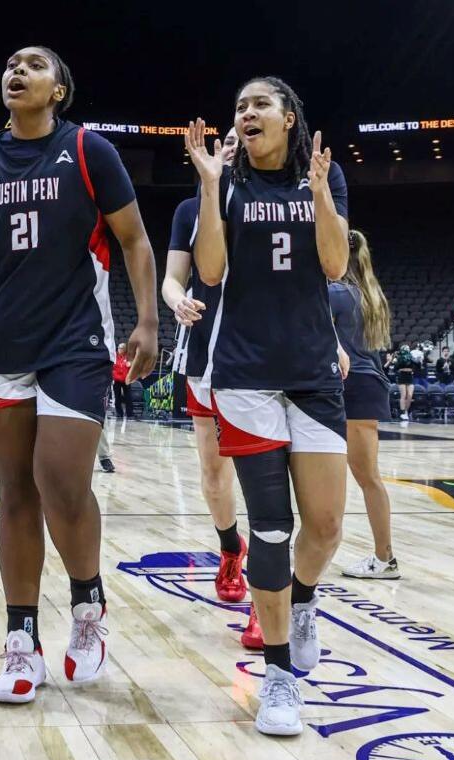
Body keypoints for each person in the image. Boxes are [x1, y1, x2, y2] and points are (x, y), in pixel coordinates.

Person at [0, 46, 159, 705]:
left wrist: (148, 321)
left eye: (34, 65)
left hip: (75, 340)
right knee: (15, 494)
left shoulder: (90, 150)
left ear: (59, 88)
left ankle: (88, 608)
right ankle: (20, 639)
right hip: (2, 342)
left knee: (60, 481)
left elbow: (136, 240)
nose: (17, 71)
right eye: (9, 63)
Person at [185, 75, 350, 736]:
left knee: (328, 525)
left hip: (311, 371)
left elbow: (336, 267)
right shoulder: (226, 182)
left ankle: (303, 599)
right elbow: (211, 271)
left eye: (259, 104)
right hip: (246, 376)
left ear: (288, 117)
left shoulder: (324, 178)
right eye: (239, 106)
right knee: (274, 527)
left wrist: (318, 196)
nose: (246, 113)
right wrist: (207, 184)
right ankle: (279, 675)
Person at [162, 125, 262, 650]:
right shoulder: (188, 211)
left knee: (263, 472)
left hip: (262, 352)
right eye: (224, 140)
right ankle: (230, 547)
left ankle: (270, 593)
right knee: (212, 469)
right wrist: (176, 298)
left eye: (238, 142)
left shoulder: (267, 200)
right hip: (204, 350)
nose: (231, 146)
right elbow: (172, 278)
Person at [331, 230, 398, 579]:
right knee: (368, 477)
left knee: (352, 476)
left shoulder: (336, 293)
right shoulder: (371, 293)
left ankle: (384, 558)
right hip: (370, 384)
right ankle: (383, 557)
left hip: (350, 385)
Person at [392, 344, 418, 421]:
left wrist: (403, 369)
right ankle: (403, 412)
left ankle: (406, 411)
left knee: (410, 395)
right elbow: (396, 368)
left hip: (410, 377)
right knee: (403, 395)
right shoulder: (399, 358)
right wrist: (405, 369)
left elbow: (414, 369)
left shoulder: (412, 358)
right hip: (402, 378)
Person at [110, 343, 134, 418]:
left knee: (128, 397)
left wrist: (131, 364)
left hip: (126, 380)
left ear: (125, 349)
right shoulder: (114, 357)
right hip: (116, 380)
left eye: (121, 348)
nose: (119, 349)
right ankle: (119, 413)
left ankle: (129, 414)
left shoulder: (128, 357)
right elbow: (111, 367)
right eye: (119, 348)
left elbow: (133, 366)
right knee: (117, 397)